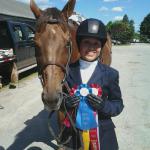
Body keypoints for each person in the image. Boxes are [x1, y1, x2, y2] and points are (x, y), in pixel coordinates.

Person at [63, 18, 124, 150]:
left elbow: (118, 105)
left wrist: (103, 105)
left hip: (102, 133)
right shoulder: (67, 71)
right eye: (86, 42)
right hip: (74, 133)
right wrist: (66, 103)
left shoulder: (111, 74)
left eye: (96, 43)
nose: (91, 48)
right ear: (79, 44)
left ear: (101, 46)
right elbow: (60, 100)